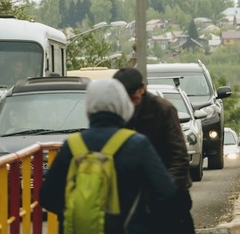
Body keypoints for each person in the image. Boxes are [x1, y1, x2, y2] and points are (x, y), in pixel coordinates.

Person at [39, 79, 176, 234]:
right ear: (122, 105)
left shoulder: (72, 145)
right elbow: (166, 191)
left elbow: (47, 195)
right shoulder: (137, 144)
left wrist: (77, 213)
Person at [113, 67, 195, 234]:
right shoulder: (119, 113)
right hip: (138, 196)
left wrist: (165, 187)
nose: (128, 100)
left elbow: (179, 156)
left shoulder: (162, 109)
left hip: (170, 192)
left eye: (131, 94)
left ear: (141, 89)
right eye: (123, 96)